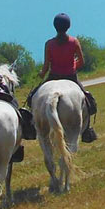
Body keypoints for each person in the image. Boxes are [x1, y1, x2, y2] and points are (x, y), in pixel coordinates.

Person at [30, 13, 99, 143]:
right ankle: (87, 130)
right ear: (68, 26)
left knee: (33, 97)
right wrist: (73, 65)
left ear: (55, 26)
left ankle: (34, 124)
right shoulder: (74, 42)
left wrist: (41, 73)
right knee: (89, 102)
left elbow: (46, 67)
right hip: (71, 77)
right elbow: (82, 62)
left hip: (53, 77)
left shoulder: (49, 44)